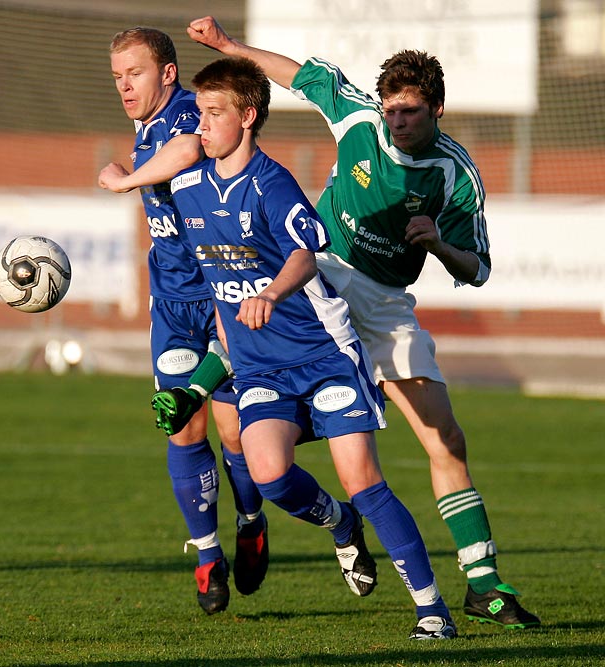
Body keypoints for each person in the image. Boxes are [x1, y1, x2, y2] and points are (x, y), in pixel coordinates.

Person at [183, 16, 541, 629]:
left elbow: (477, 267)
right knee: (242, 419)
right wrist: (229, 48)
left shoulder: (456, 175)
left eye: (412, 112)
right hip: (320, 275)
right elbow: (302, 77)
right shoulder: (358, 118)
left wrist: (438, 246)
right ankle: (273, 513)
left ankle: (483, 583)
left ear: (438, 110)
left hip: (384, 302)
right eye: (393, 110)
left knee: (444, 438)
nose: (398, 122)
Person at [165, 54, 457, 641]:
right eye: (198, 113)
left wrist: (272, 293)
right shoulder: (190, 186)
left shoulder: (272, 183)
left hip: (324, 355)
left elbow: (306, 250)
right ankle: (340, 527)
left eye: (213, 114)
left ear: (247, 117)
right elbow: (221, 293)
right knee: (270, 474)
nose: (201, 125)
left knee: (365, 481)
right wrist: (124, 179)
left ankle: (433, 610)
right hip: (259, 366)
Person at [98, 27, 269, 615]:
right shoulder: (146, 125)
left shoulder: (188, 117)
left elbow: (190, 153)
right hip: (173, 304)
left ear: (167, 73)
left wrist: (126, 179)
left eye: (135, 73)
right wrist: (130, 164)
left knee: (233, 432)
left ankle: (252, 520)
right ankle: (206, 554)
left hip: (223, 293)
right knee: (180, 424)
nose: (124, 84)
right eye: (118, 74)